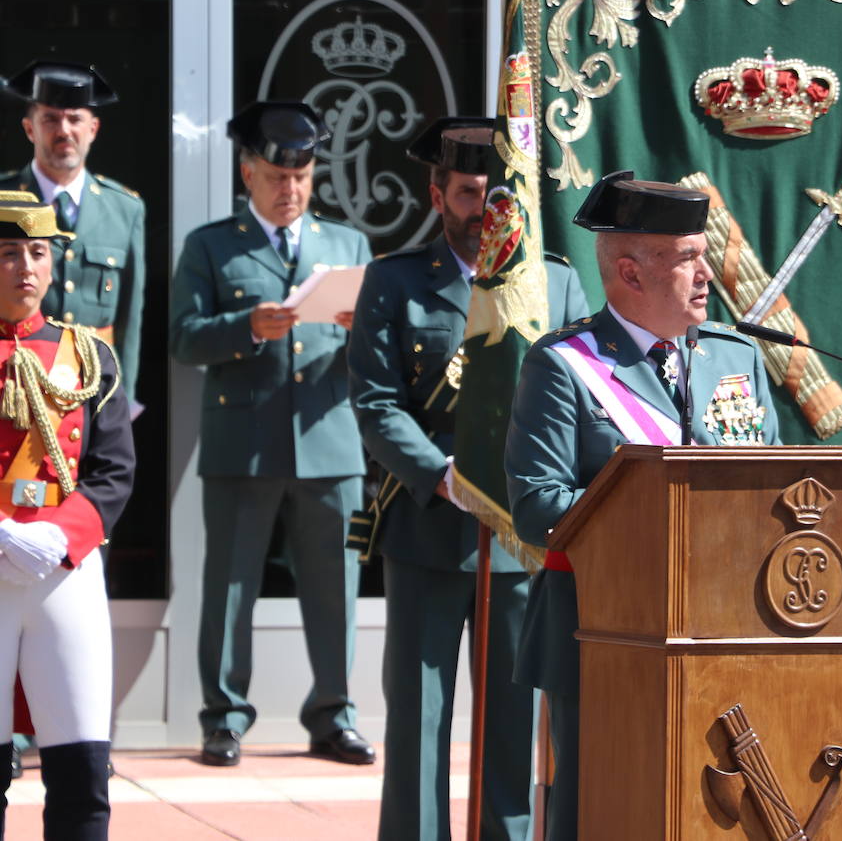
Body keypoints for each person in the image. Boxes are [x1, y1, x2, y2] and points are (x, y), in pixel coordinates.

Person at [504, 171, 780, 840]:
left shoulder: (734, 356)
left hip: (723, 621)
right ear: (630, 272)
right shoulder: (564, 364)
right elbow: (538, 506)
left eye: (702, 254)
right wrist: (659, 508)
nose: (707, 273)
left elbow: (775, 481)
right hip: (601, 626)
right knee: (597, 804)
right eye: (688, 258)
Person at [349, 116, 589, 841]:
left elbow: (580, 399)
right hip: (428, 523)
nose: (482, 210)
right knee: (420, 718)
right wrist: (443, 474)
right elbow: (375, 402)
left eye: (495, 195)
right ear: (438, 195)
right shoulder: (394, 281)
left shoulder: (557, 282)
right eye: (466, 193)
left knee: (512, 719)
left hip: (519, 535)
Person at [170, 101, 373, 768]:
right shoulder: (211, 244)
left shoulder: (347, 246)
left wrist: (358, 330)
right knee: (229, 583)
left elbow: (381, 347)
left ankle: (334, 715)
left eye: (303, 177)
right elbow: (182, 340)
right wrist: (243, 328)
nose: (291, 190)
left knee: (335, 586)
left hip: (329, 437)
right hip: (244, 439)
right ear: (248, 173)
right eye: (277, 178)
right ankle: (223, 718)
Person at [0, 192, 134, 840]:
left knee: (83, 774)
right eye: (6, 254)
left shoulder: (91, 355)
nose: (25, 267)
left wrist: (58, 533)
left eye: (37, 252)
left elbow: (114, 471)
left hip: (65, 566)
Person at [0, 61, 146, 401]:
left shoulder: (125, 209)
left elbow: (129, 322)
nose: (63, 130)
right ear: (29, 129)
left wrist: (124, 399)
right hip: (14, 386)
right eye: (50, 118)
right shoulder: (4, 200)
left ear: (93, 129)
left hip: (95, 387)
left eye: (75, 119)